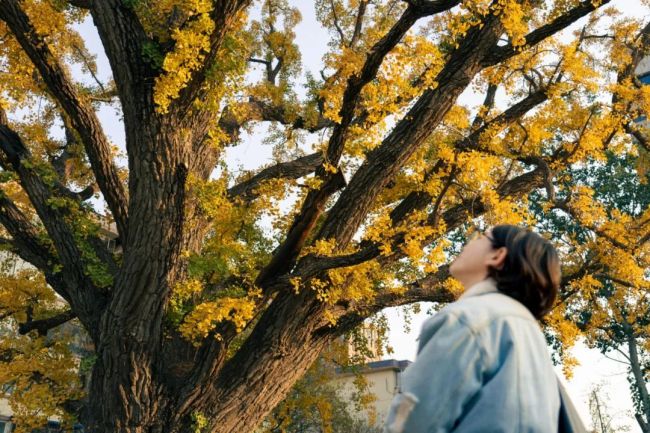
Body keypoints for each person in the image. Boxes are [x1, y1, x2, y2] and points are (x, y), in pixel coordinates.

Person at [384, 224, 566, 433]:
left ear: (497, 256)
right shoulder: (532, 336)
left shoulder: (468, 320)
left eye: (481, 237)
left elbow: (415, 420)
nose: (469, 241)